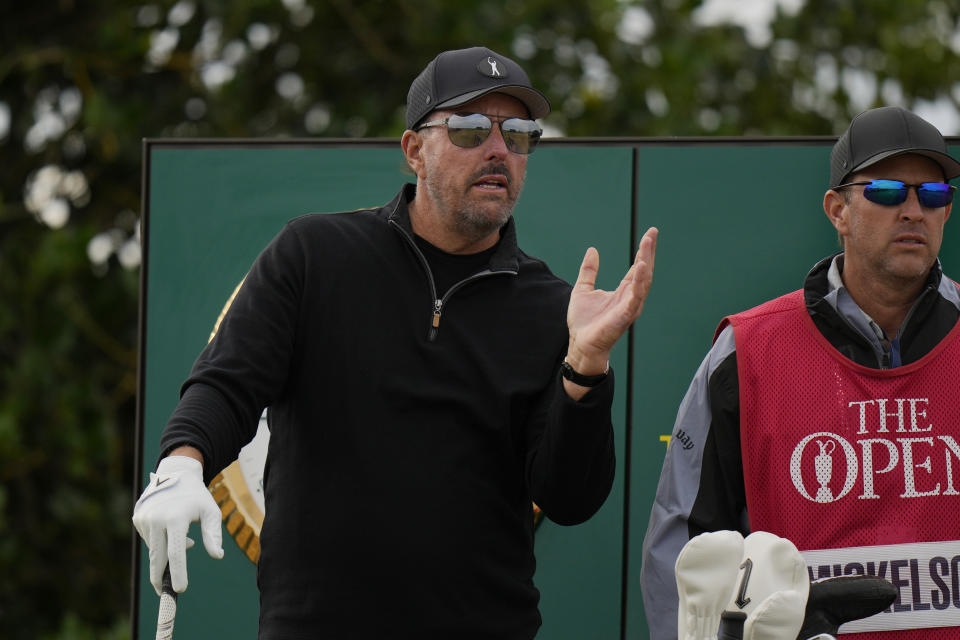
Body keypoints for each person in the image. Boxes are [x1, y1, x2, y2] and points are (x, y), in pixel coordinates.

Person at [133, 45, 658, 639]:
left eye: (517, 134)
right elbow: (228, 384)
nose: (497, 150)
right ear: (414, 151)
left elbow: (569, 497)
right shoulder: (314, 256)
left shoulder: (550, 308)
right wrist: (181, 464)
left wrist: (586, 366)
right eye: (467, 129)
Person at [640, 105, 960, 640]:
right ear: (838, 210)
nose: (912, 210)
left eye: (932, 195)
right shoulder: (747, 348)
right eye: (886, 191)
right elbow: (682, 551)